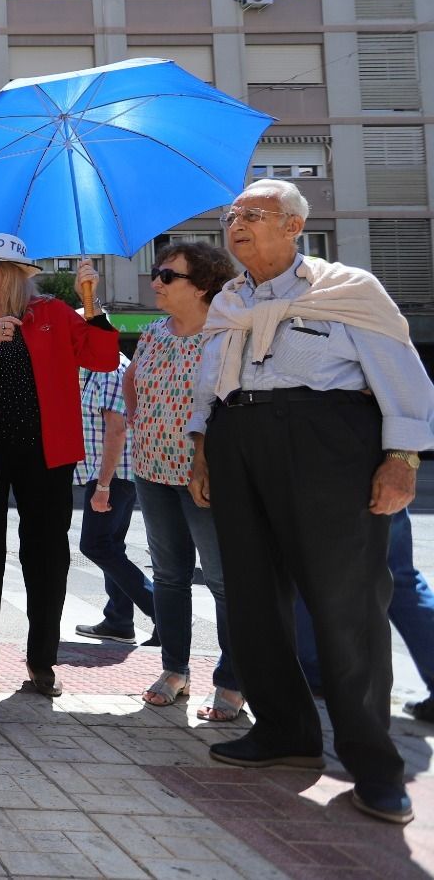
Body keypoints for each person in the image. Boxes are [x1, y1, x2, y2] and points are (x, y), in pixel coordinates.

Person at [187, 178, 434, 825]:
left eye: (253, 215)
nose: (236, 226)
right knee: (251, 597)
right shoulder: (230, 301)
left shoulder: (348, 290)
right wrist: (200, 449)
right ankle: (285, 734)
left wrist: (401, 462)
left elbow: (405, 380)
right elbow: (210, 385)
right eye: (231, 217)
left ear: (295, 226)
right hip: (237, 439)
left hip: (327, 442)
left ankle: (374, 764)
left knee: (346, 601)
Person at [0, 233, 119, 700]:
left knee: (46, 559)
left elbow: (104, 359)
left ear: (10, 274)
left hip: (48, 456)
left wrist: (91, 303)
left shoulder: (53, 313)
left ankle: (42, 663)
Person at [126, 242, 242, 721]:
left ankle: (234, 680)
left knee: (222, 581)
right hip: (151, 470)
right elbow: (130, 380)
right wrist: (140, 425)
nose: (156, 282)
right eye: (157, 273)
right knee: (169, 577)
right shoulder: (153, 332)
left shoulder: (225, 335)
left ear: (204, 286)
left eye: (168, 275)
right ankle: (175, 670)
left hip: (204, 477)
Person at [293, 509, 434, 723]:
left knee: (311, 572)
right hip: (385, 484)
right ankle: (315, 674)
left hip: (330, 487)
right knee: (399, 578)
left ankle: (315, 674)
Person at [73, 354, 153, 646]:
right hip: (115, 473)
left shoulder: (108, 369)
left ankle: (164, 612)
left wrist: (103, 485)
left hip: (113, 474)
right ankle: (119, 620)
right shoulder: (101, 367)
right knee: (111, 546)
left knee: (95, 545)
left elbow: (116, 429)